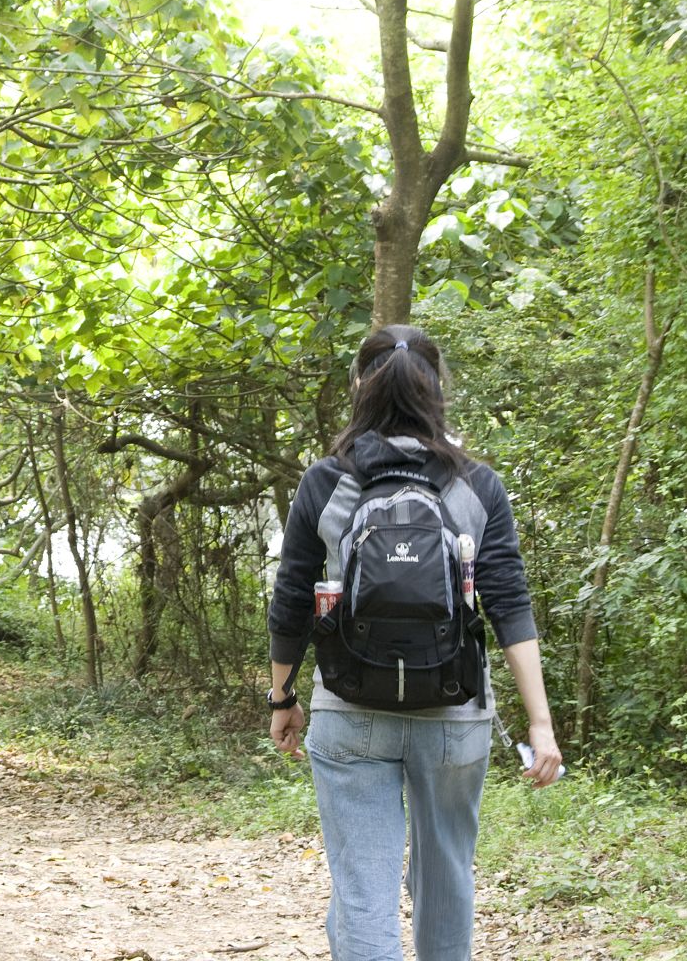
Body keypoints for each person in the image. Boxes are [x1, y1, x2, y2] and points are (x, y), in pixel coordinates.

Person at [267, 324, 563, 961]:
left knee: (362, 895)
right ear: (438, 388)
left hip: (349, 707)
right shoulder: (477, 484)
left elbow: (291, 599)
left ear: (358, 385)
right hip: (455, 712)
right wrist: (540, 724)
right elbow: (509, 604)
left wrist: (282, 697)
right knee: (447, 879)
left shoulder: (326, 481)